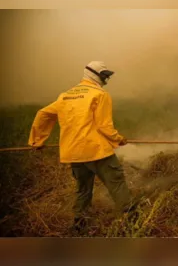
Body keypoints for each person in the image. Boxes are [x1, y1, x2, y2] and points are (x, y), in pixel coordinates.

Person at [28, 61, 139, 232]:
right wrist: (119, 139)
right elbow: (104, 126)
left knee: (83, 190)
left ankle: (79, 224)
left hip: (74, 154)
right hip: (97, 152)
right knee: (116, 184)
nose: (106, 79)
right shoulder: (100, 94)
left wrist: (37, 141)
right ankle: (132, 220)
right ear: (93, 74)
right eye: (104, 76)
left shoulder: (65, 95)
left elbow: (43, 114)